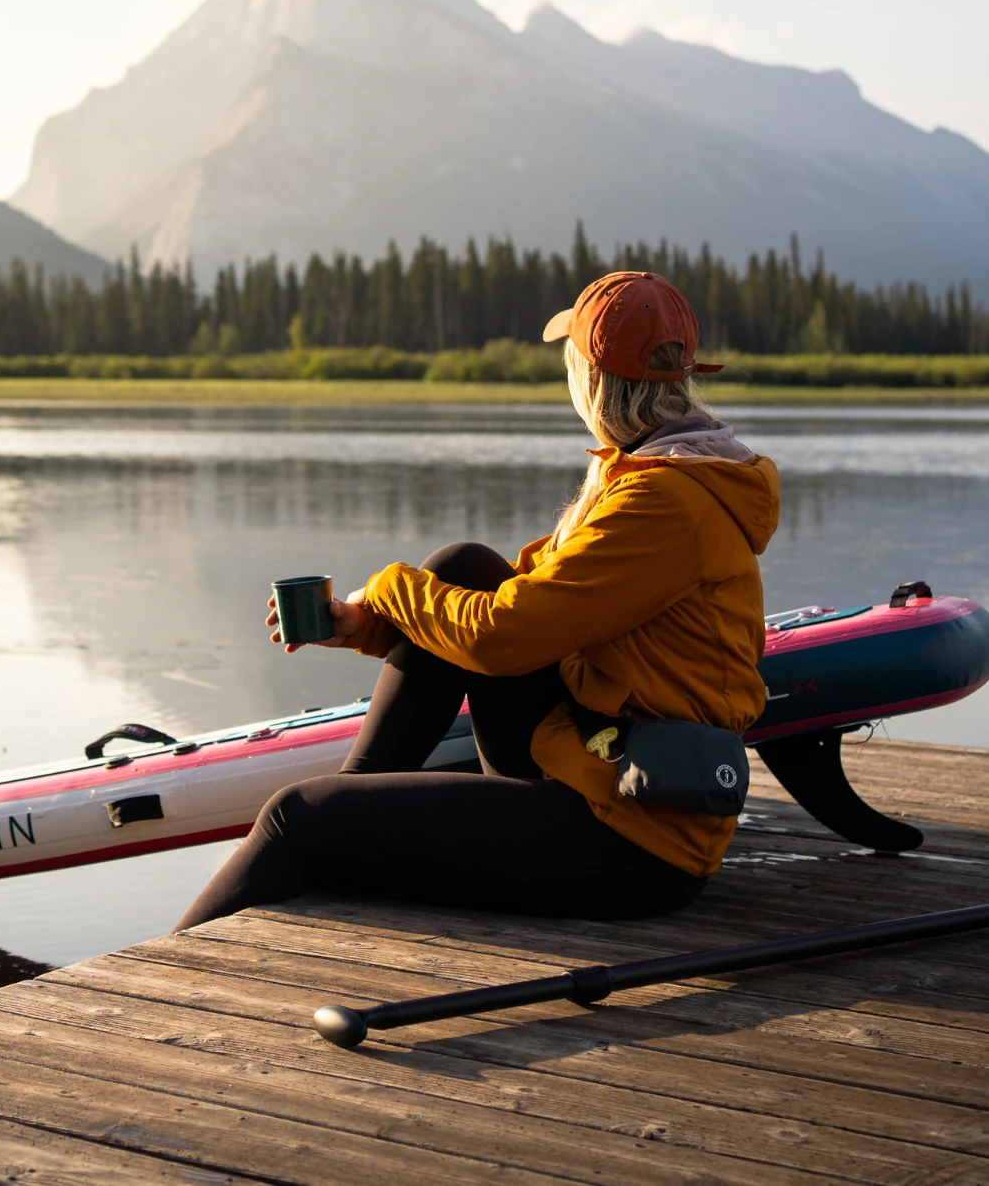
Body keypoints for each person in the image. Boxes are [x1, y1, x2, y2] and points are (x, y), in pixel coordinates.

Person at [173, 272, 780, 932]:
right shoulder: (658, 469)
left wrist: (387, 588)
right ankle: (356, 803)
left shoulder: (662, 501)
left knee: (298, 815)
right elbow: (530, 594)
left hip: (635, 834)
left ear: (592, 376)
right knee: (463, 569)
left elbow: (503, 637)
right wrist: (370, 628)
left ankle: (163, 979)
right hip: (593, 755)